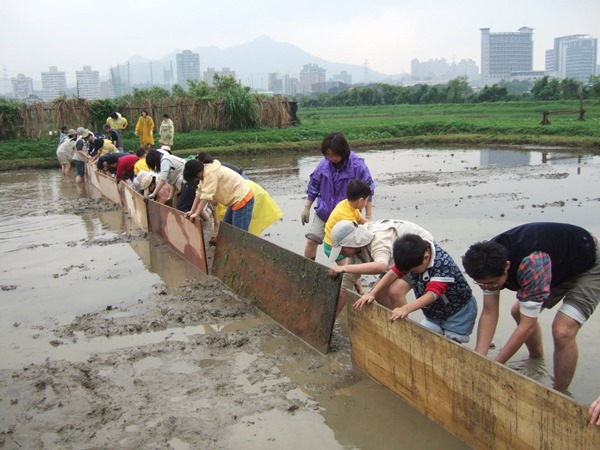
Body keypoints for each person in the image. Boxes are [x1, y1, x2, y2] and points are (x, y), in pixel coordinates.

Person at [462, 222, 600, 391]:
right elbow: (490, 312)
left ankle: (559, 394)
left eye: (492, 283)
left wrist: (495, 365)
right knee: (518, 312)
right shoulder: (485, 262)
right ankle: (536, 360)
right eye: (482, 284)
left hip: (589, 263)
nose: (488, 287)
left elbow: (527, 327)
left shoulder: (532, 264)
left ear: (507, 266)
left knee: (562, 331)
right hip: (557, 265)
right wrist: (479, 359)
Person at [355, 234, 477, 342]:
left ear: (426, 257)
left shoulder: (443, 265)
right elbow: (393, 273)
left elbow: (433, 294)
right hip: (434, 311)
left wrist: (405, 308)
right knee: (426, 338)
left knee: (452, 341)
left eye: (414, 270)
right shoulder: (412, 256)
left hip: (458, 311)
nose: (412, 273)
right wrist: (372, 293)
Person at [328, 219, 433, 315]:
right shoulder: (356, 250)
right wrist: (333, 315)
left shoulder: (379, 238)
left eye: (341, 249)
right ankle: (396, 319)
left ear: (350, 243)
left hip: (417, 254)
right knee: (378, 294)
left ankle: (405, 328)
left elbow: (381, 266)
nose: (340, 252)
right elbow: (346, 283)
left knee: (395, 291)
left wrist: (345, 268)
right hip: (394, 259)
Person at [301, 132, 375, 261]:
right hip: (325, 211)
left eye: (334, 154)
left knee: (347, 247)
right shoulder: (324, 165)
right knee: (312, 240)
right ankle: (306, 270)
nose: (331, 158)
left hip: (347, 216)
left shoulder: (357, 166)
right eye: (328, 155)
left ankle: (349, 276)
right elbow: (313, 186)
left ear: (343, 151)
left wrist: (368, 216)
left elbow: (368, 191)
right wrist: (307, 207)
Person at [184, 158, 254, 236]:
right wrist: (192, 211)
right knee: (225, 229)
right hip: (234, 200)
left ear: (198, 174)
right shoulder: (205, 172)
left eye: (195, 178)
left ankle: (240, 248)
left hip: (242, 198)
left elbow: (206, 197)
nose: (197, 180)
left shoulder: (210, 174)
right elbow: (199, 193)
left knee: (239, 234)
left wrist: (197, 214)